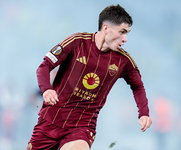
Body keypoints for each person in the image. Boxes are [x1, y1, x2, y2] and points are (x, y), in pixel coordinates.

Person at [27, 4, 152, 150]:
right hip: (49, 122)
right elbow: (44, 66)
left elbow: (137, 86)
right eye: (122, 32)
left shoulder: (124, 61)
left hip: (82, 127)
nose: (125, 39)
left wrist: (143, 113)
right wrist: (47, 89)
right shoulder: (77, 42)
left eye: (127, 33)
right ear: (106, 28)